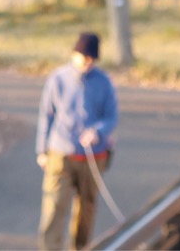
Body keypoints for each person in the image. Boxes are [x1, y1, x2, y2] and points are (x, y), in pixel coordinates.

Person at [36, 31, 119, 250]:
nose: (87, 62)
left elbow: (111, 116)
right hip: (61, 154)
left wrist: (98, 132)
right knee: (54, 208)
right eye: (83, 56)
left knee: (86, 209)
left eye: (92, 58)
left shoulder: (104, 82)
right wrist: (42, 149)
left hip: (93, 156)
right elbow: (47, 114)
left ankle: (80, 248)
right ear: (75, 54)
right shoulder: (58, 78)